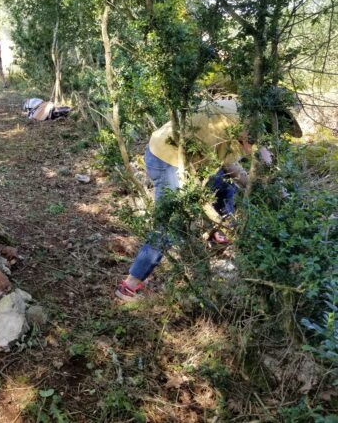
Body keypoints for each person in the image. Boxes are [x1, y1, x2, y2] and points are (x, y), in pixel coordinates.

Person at [114, 96, 300, 301]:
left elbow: (231, 167)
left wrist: (256, 184)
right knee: (169, 224)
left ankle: (219, 233)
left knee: (225, 183)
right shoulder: (246, 124)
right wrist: (277, 192)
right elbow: (259, 157)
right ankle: (129, 286)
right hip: (167, 158)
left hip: (178, 153)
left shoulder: (240, 111)